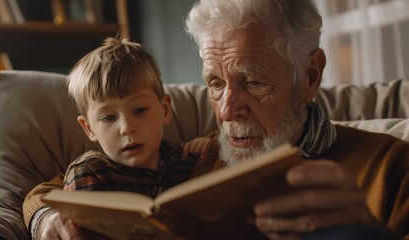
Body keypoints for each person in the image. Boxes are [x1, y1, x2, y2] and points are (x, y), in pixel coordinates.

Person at [23, 0, 409, 239]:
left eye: (253, 83)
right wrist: (46, 219)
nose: (226, 111)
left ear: (309, 76)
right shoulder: (194, 156)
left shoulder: (393, 166)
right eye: (215, 83)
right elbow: (48, 192)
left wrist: (365, 233)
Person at [22, 37, 218, 239]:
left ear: (165, 110)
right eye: (108, 117)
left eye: (140, 110)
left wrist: (205, 161)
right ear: (89, 128)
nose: (126, 128)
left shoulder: (183, 158)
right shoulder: (90, 172)